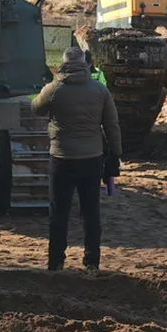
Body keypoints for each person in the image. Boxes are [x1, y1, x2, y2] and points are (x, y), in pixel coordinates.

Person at [31, 46, 122, 272]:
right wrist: (116, 153)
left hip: (61, 158)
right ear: (85, 63)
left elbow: (35, 108)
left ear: (63, 63)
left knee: (59, 212)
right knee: (91, 212)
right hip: (92, 158)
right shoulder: (100, 90)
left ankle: (56, 262)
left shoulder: (54, 89)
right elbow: (112, 125)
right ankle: (92, 262)